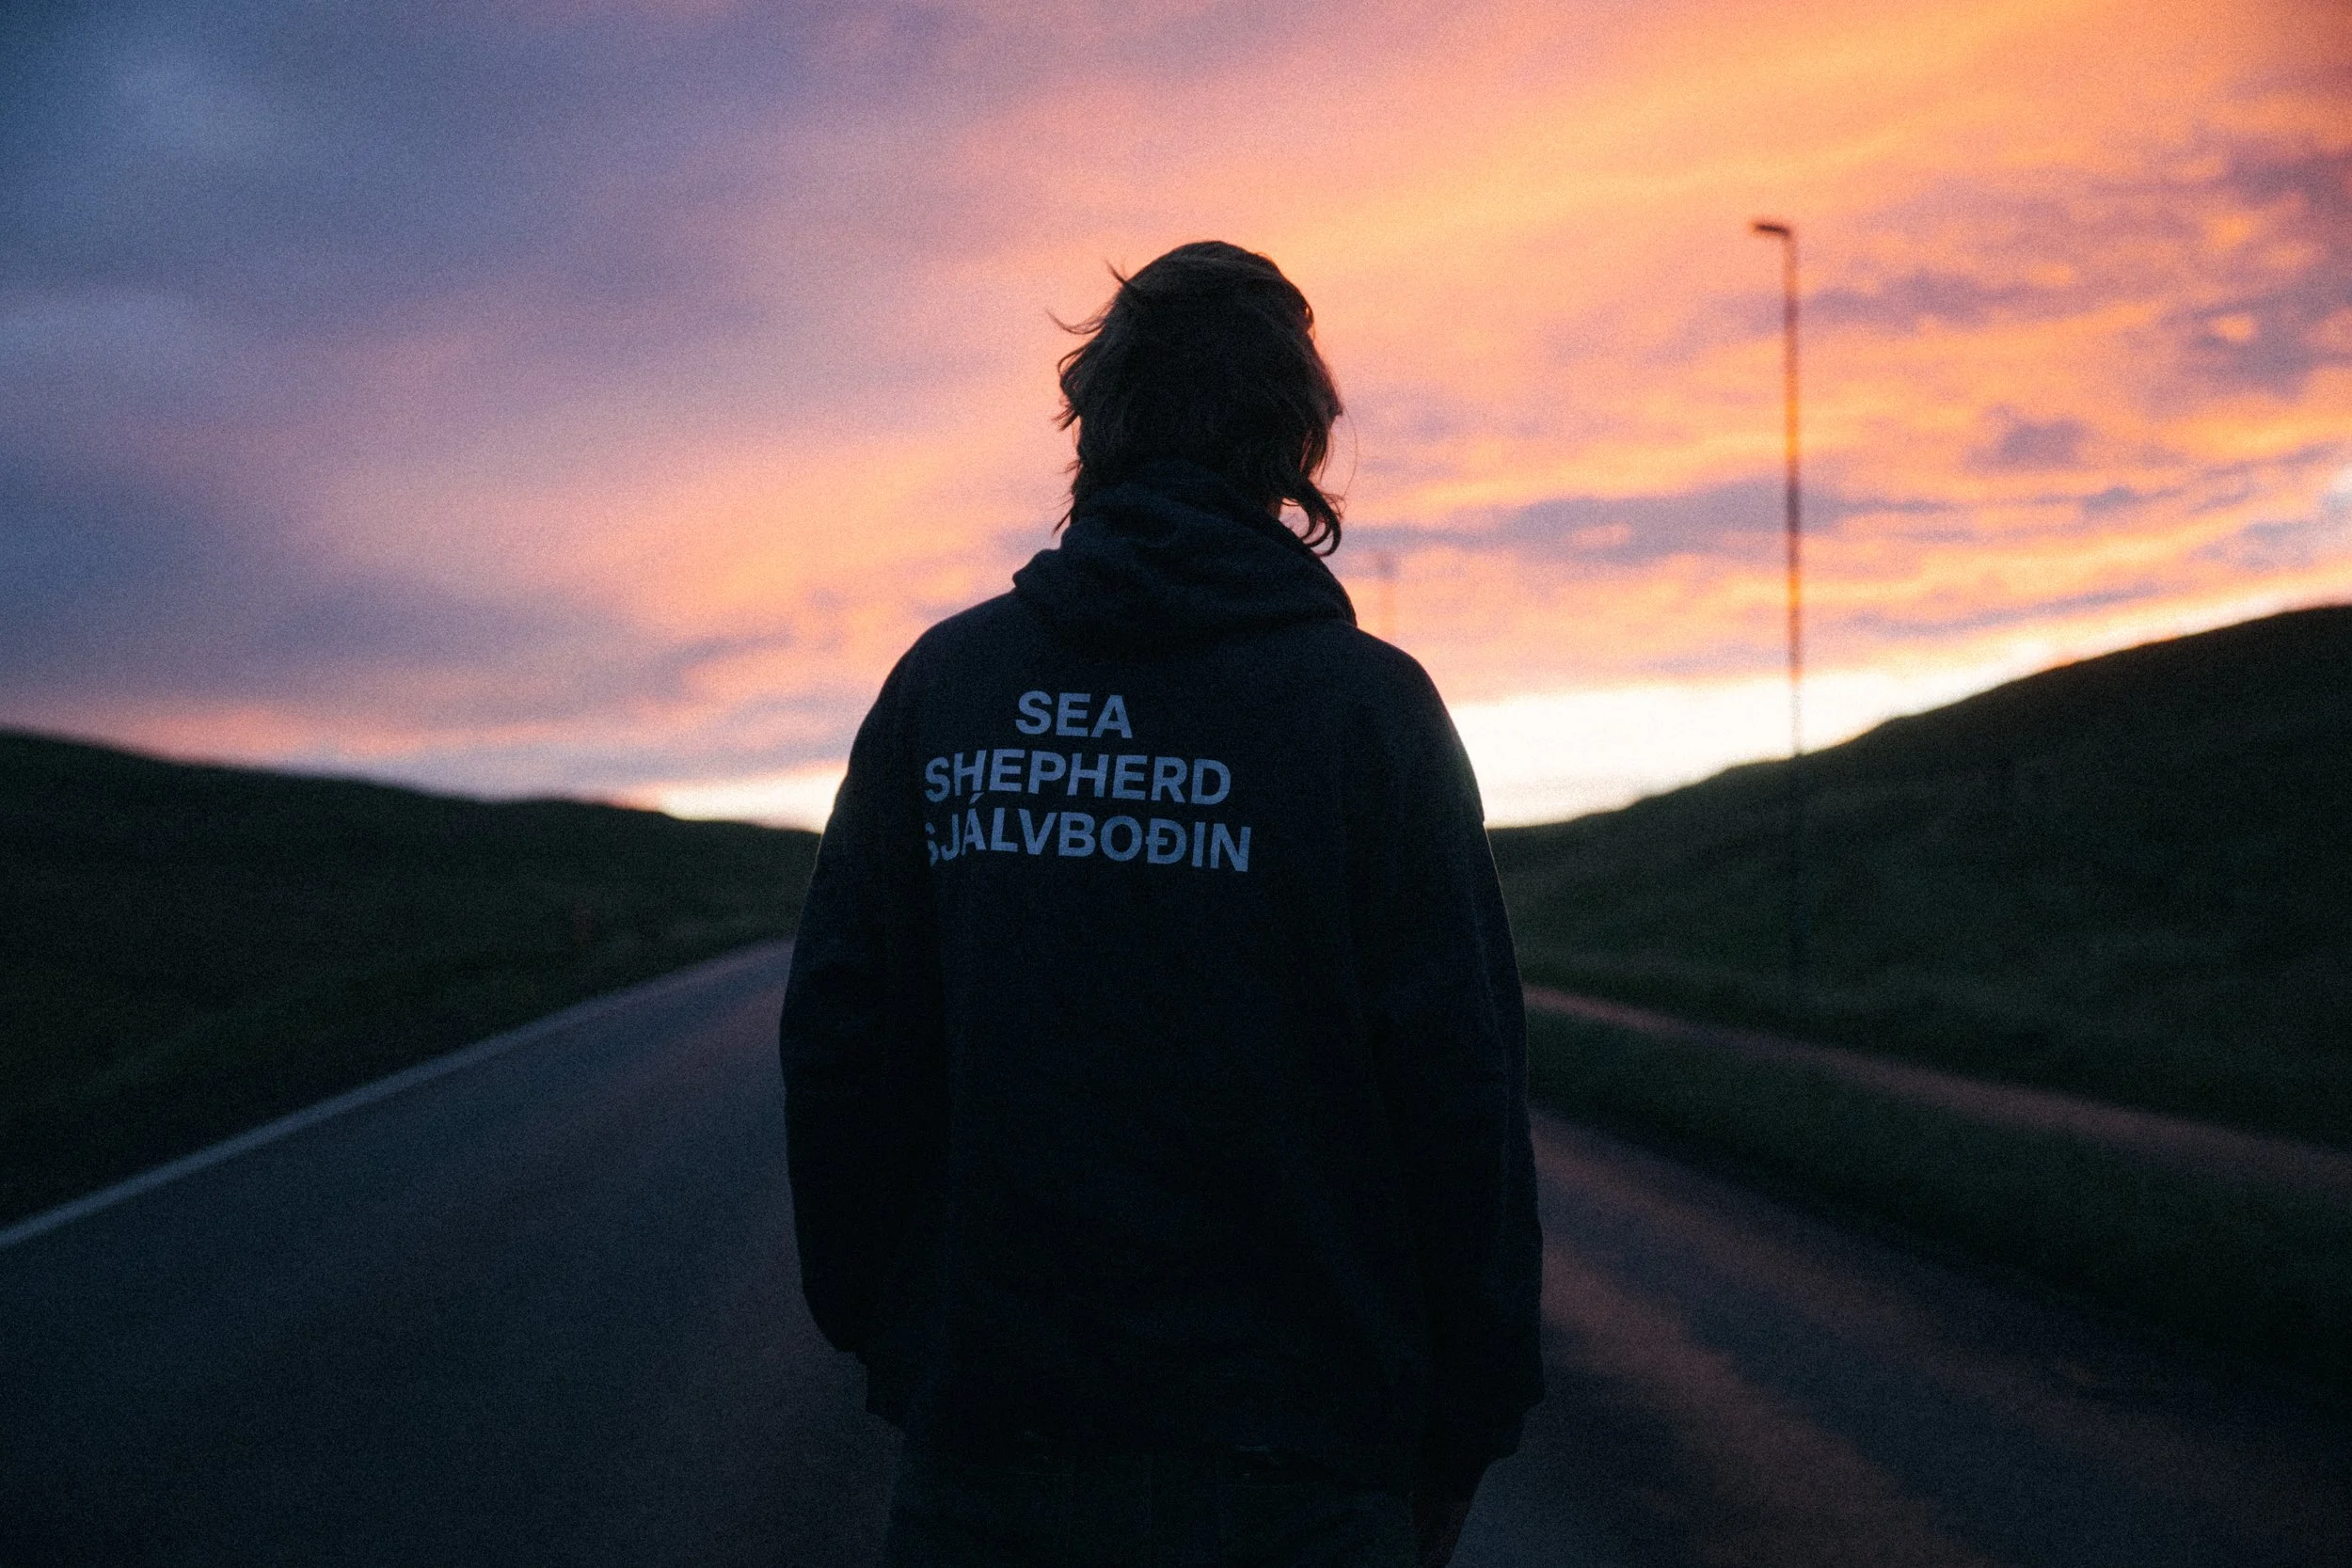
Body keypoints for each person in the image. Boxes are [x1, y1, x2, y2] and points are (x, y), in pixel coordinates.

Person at [780, 240, 1541, 1568]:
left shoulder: (947, 691)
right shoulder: (1368, 715)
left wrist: (889, 1323)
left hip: (992, 1466)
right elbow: (1460, 1094)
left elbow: (839, 1041)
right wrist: (1462, 1420)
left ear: (1098, 421)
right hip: (1297, 1484)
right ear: (1294, 436)